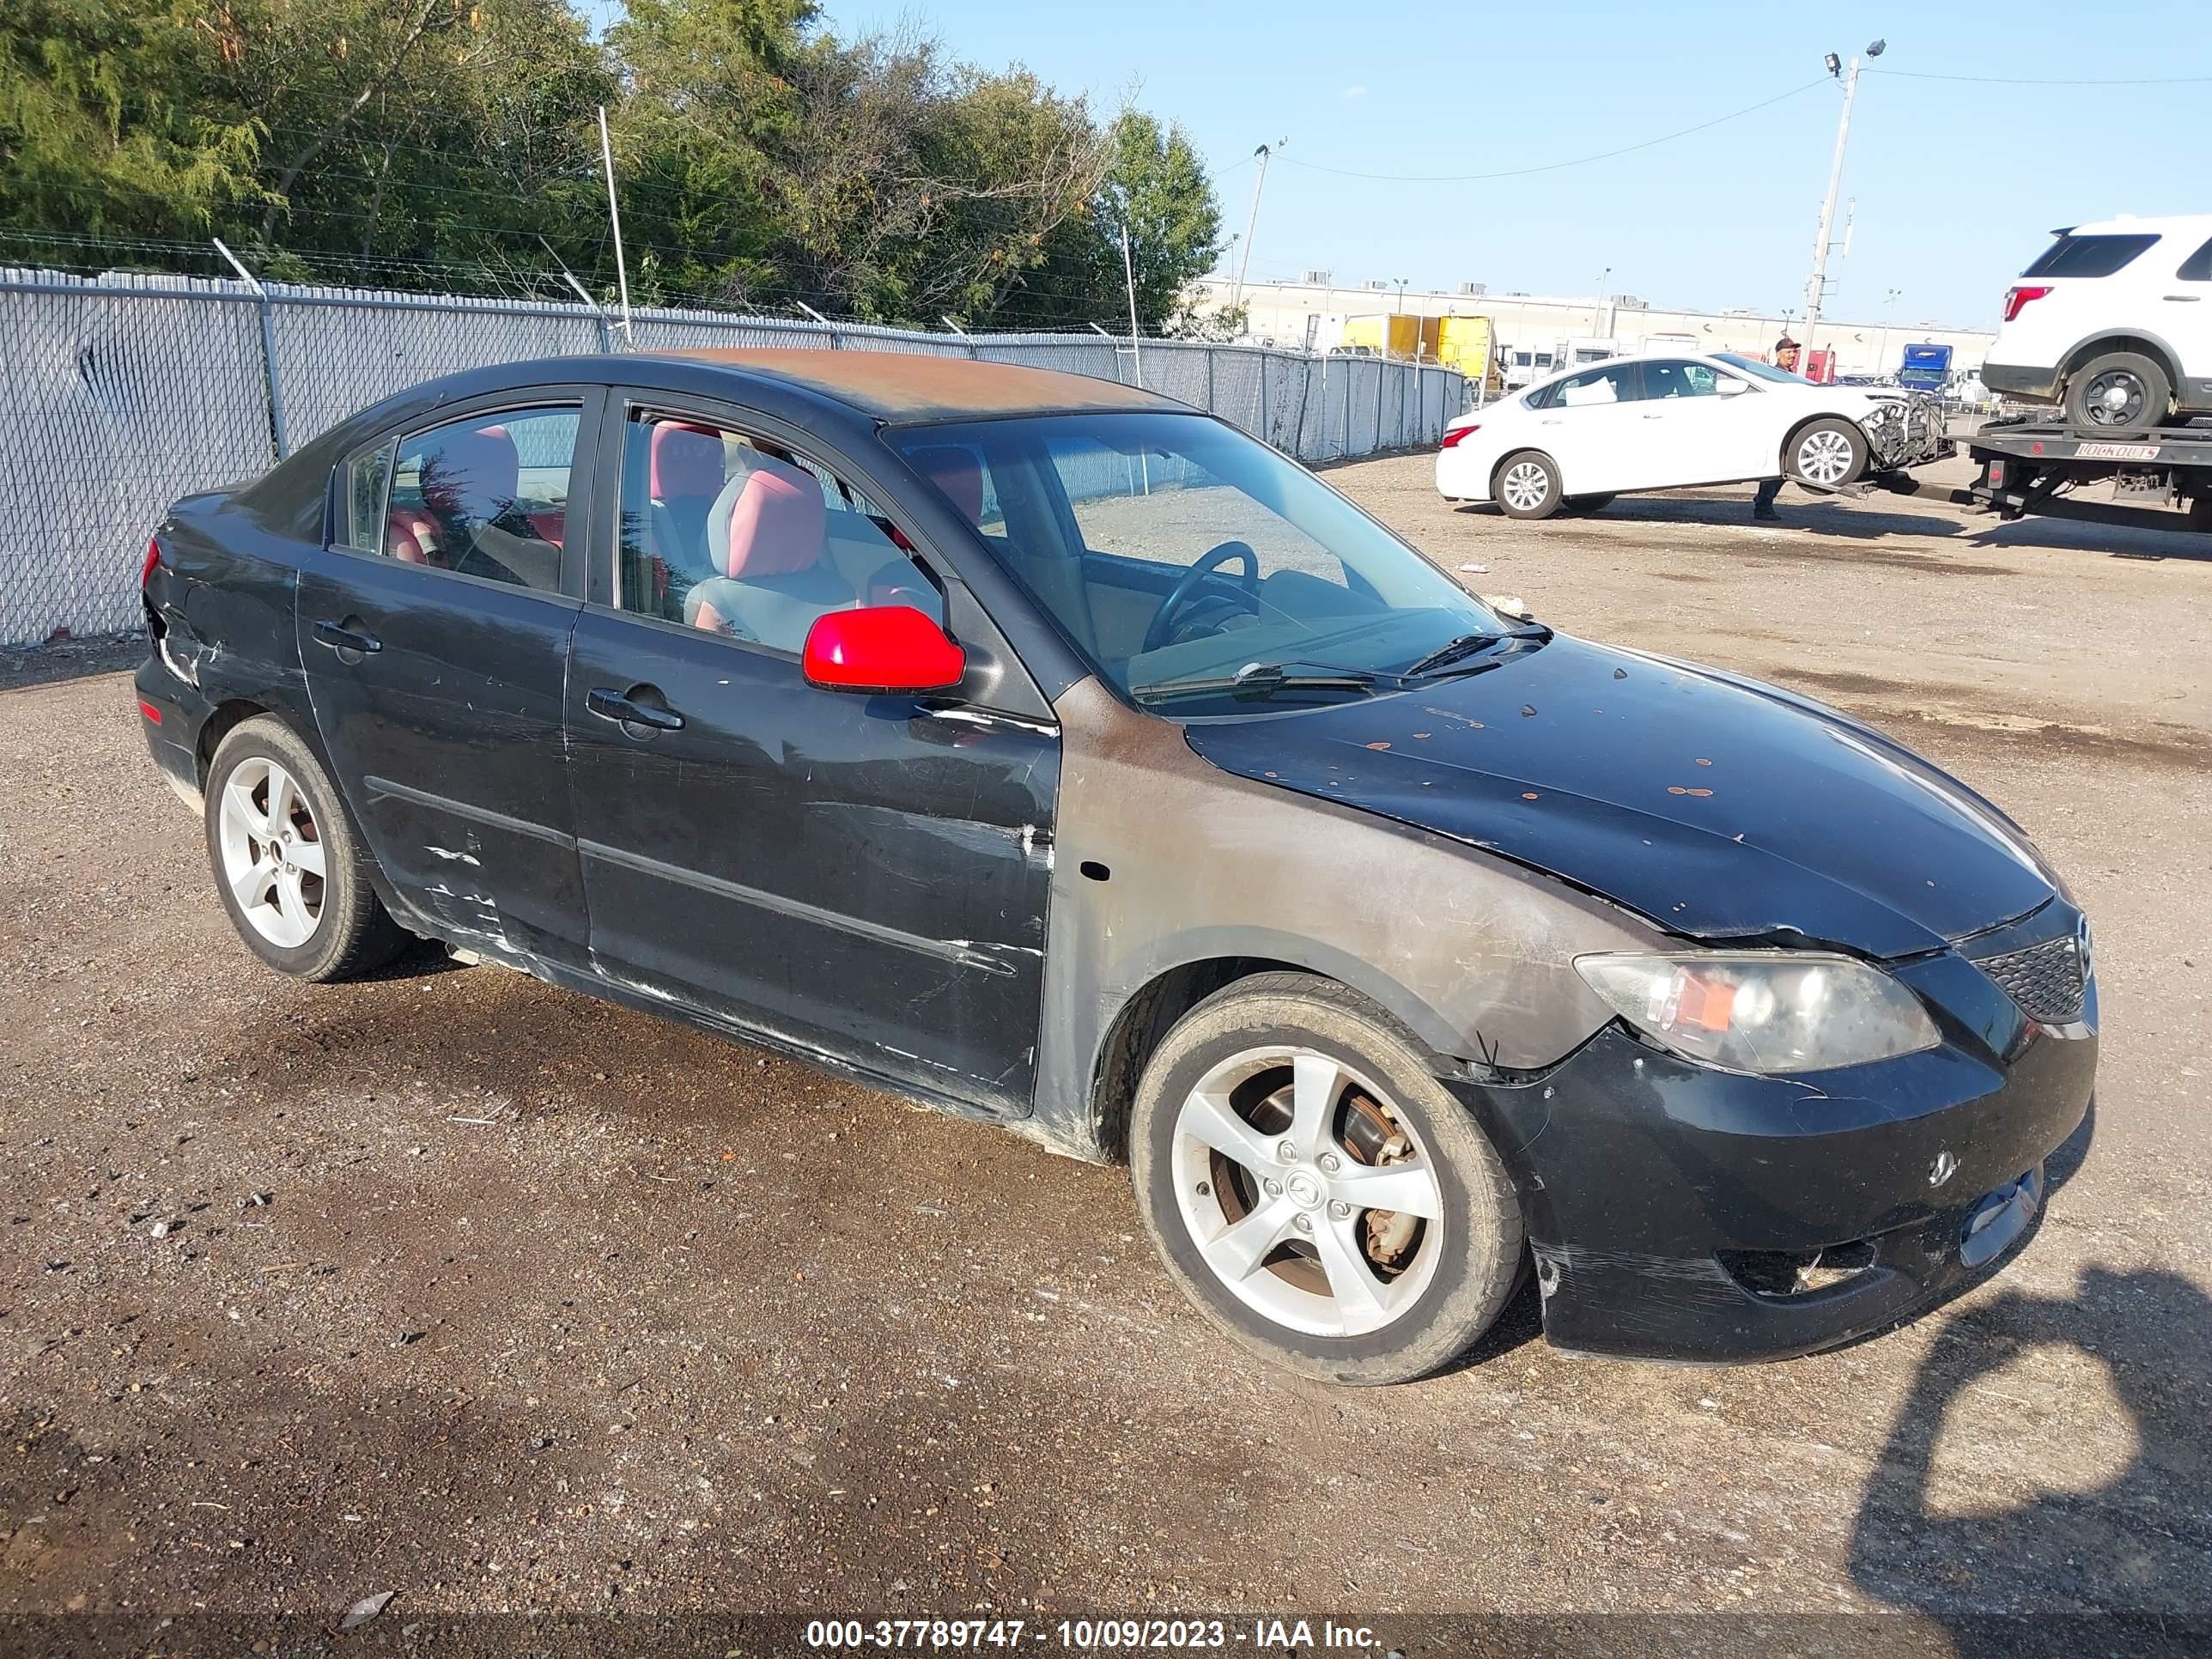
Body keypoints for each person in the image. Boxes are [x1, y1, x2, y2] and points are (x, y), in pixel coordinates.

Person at [1752, 335, 1804, 520]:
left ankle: (1763, 500)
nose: (1792, 355)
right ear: (1778, 354)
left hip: (1788, 427)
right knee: (1774, 470)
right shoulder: (1773, 375)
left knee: (1783, 472)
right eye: (1788, 352)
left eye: (1794, 352)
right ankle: (1763, 506)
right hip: (1776, 427)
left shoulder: (1789, 374)